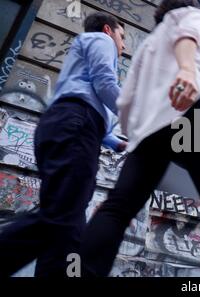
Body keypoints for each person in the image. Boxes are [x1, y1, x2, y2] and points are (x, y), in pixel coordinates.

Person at [79, 0, 200, 277]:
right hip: (189, 112)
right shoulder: (189, 15)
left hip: (149, 131)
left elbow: (125, 101)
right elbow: (188, 36)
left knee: (118, 207)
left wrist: (136, 135)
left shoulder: (147, 46)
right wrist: (185, 69)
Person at [0, 12, 126, 277]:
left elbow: (85, 98)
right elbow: (104, 83)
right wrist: (137, 117)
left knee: (69, 226)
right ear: (108, 30)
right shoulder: (102, 41)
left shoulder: (81, 55)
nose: (124, 45)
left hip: (70, 125)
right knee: (62, 217)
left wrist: (114, 142)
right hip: (76, 126)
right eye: (122, 37)